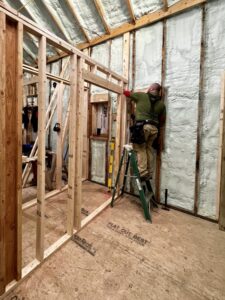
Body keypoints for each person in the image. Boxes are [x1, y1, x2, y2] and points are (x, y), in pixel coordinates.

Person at [123, 83, 166, 181]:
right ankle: (149, 173)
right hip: (154, 129)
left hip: (143, 127)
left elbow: (127, 94)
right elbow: (162, 119)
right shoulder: (161, 104)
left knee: (139, 148)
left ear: (150, 88)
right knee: (149, 149)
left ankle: (142, 172)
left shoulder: (142, 96)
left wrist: (123, 90)